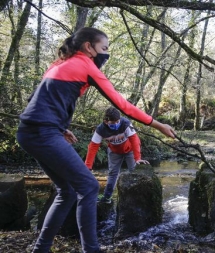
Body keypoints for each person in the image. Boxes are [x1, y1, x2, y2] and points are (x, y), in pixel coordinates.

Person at [16, 27, 175, 253]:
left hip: (29, 132)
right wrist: (158, 125)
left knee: (68, 191)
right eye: (104, 49)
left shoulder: (58, 64)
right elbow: (121, 104)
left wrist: (61, 128)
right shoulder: (85, 65)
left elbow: (36, 100)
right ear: (89, 47)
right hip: (43, 133)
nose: (106, 54)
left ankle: (40, 249)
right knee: (90, 186)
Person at [85, 106, 149, 204]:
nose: (116, 124)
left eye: (117, 121)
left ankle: (137, 198)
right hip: (114, 152)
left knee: (134, 172)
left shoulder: (126, 123)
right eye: (113, 123)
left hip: (130, 150)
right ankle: (107, 198)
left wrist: (138, 158)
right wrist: (88, 166)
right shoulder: (100, 130)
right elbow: (93, 147)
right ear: (106, 121)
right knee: (112, 174)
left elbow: (135, 140)